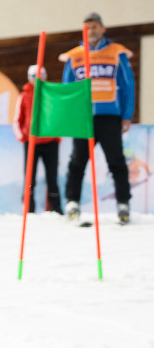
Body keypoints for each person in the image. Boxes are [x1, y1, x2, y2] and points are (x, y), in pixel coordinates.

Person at [60, 12, 135, 224]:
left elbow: (128, 85)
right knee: (77, 162)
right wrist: (69, 117)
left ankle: (123, 204)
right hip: (83, 118)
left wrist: (127, 115)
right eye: (87, 27)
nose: (91, 31)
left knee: (116, 161)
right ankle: (72, 202)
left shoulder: (116, 52)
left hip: (110, 116)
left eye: (94, 26)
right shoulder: (74, 56)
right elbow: (67, 90)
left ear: (103, 28)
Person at [13, 65, 62, 214]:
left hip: (50, 142)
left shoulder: (52, 94)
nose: (38, 79)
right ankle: (29, 208)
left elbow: (58, 115)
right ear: (29, 78)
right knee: (29, 178)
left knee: (52, 177)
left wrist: (57, 135)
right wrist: (23, 137)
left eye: (41, 76)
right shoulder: (24, 95)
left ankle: (55, 208)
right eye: (34, 77)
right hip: (31, 142)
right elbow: (18, 119)